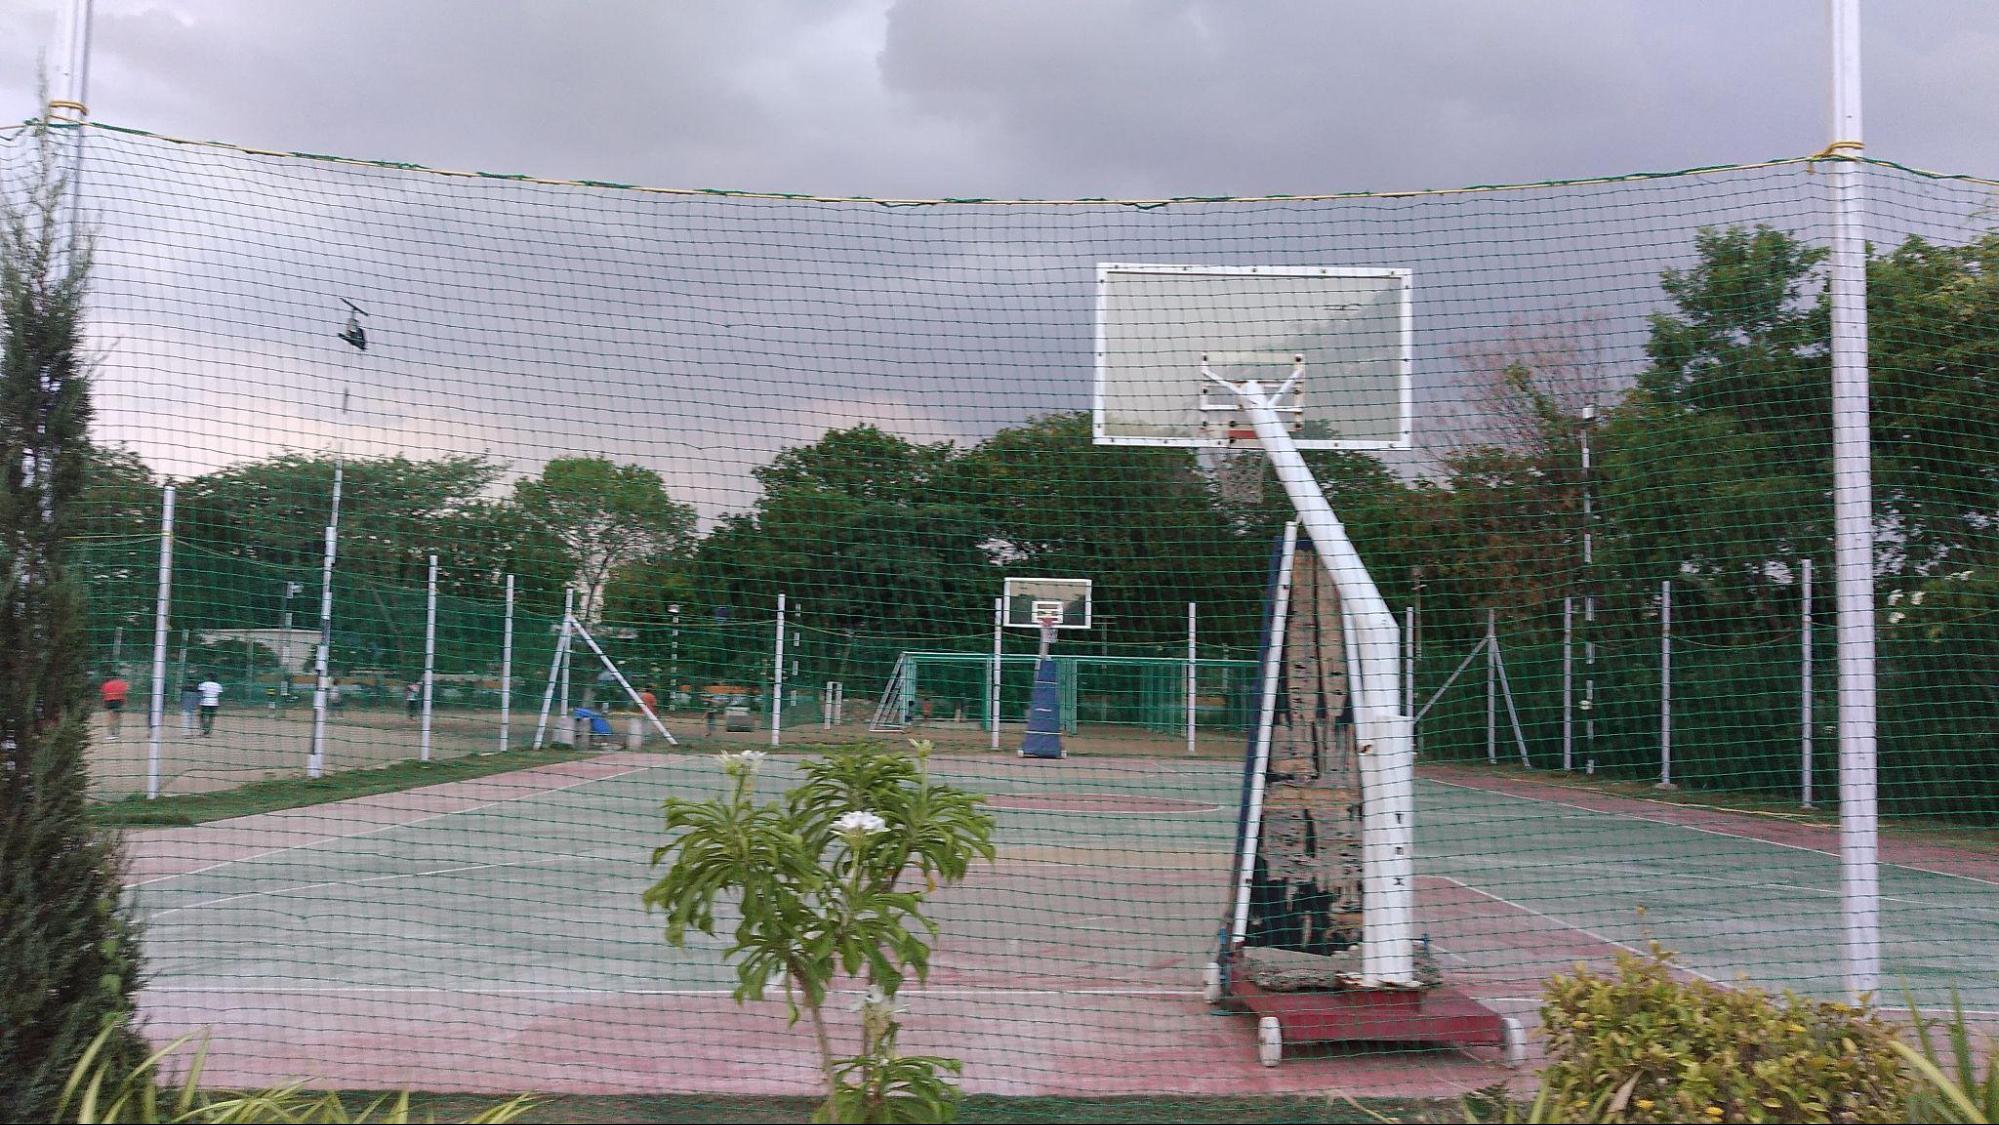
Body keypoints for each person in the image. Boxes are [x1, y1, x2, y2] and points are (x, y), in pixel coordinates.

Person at [99, 673, 130, 740]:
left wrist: (103, 702)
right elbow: (125, 692)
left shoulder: (106, 684)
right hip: (118, 700)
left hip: (108, 700)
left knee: (110, 717)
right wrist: (125, 702)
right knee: (118, 717)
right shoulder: (122, 683)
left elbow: (103, 693)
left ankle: (111, 733)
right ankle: (117, 733)